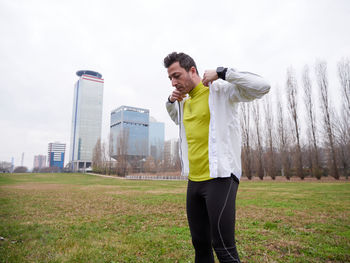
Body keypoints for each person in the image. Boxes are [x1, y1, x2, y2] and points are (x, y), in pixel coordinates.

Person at [164, 52, 270, 263]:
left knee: (223, 246)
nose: (174, 83)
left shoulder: (220, 91)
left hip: (220, 178)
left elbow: (262, 86)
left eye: (177, 76)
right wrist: (170, 101)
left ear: (192, 70)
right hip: (194, 181)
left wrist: (223, 73)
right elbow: (177, 120)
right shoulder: (184, 103)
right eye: (170, 79)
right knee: (200, 244)